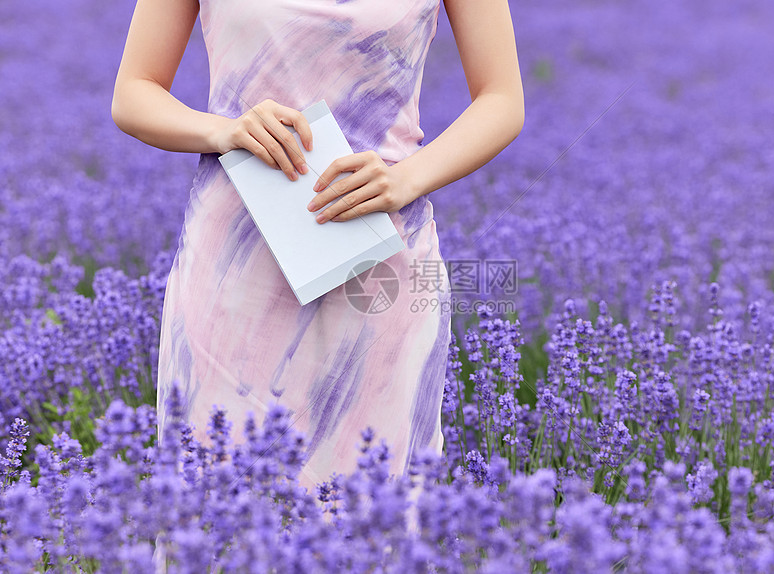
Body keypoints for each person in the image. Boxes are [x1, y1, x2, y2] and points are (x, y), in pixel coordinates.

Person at [113, 0, 522, 566]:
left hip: (380, 268)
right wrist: (224, 129)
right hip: (234, 271)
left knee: (374, 521)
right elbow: (134, 90)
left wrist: (407, 177)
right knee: (210, 516)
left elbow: (502, 99)